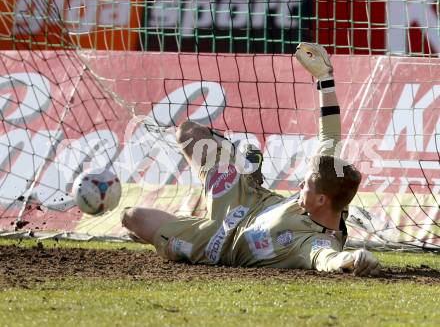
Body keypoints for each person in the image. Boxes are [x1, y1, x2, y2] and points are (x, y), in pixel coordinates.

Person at [122, 43, 381, 276]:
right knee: (188, 133)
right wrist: (325, 78)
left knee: (132, 218)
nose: (299, 186)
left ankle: (179, 225)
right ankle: (243, 165)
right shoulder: (329, 187)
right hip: (247, 198)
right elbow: (330, 135)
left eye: (305, 186)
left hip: (217, 241)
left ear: (322, 199)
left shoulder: (316, 241)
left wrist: (353, 259)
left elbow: (328, 259)